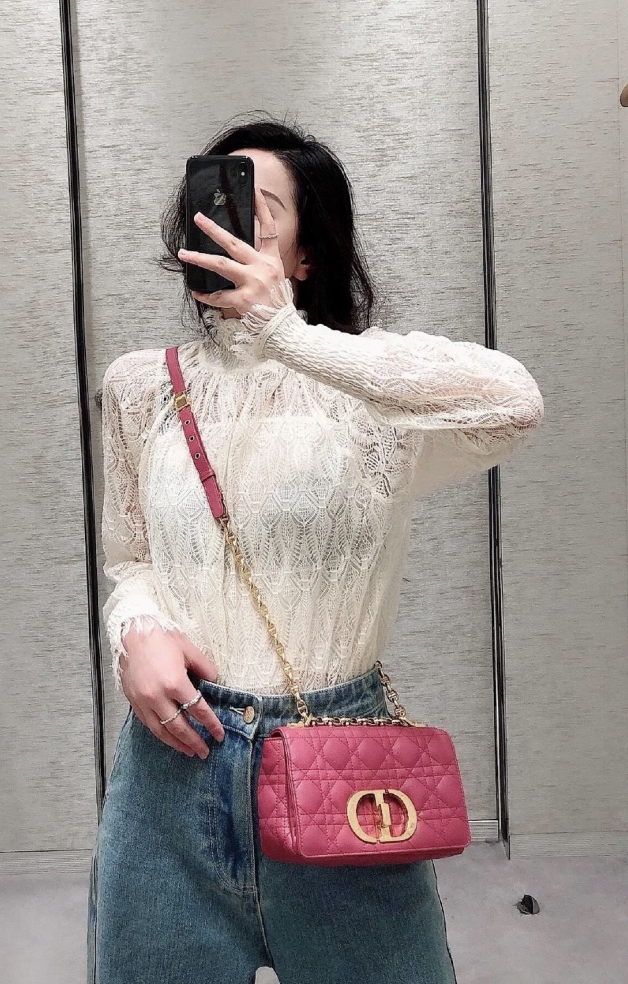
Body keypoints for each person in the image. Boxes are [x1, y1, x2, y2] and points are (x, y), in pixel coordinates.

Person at [86, 114, 545, 984]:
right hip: (172, 771)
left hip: (339, 757)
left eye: (258, 209)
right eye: (211, 201)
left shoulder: (366, 389)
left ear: (306, 255)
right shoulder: (142, 386)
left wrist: (288, 335)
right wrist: (135, 630)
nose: (225, 221)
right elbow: (130, 557)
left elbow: (512, 403)